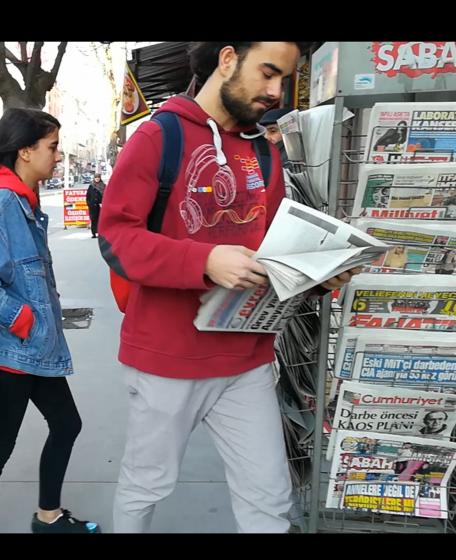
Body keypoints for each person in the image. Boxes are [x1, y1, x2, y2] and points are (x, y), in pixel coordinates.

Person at [99, 41, 360, 533]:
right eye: (268, 73)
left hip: (248, 358)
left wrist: (320, 277)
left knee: (269, 496)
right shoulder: (160, 136)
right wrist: (204, 260)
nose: (276, 91)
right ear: (226, 60)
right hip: (166, 362)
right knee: (145, 484)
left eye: (283, 78)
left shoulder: (264, 151)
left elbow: (270, 256)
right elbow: (117, 238)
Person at [0, 108, 100, 534]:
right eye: (52, 147)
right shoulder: (0, 203)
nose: (58, 156)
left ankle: (49, 518)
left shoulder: (20, 200)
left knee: (66, 424)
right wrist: (22, 317)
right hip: (11, 352)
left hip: (30, 347)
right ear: (24, 150)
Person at [86, 173, 106, 238]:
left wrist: (103, 203)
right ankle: (94, 233)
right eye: (96, 178)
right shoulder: (91, 186)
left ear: (100, 178)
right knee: (93, 219)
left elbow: (106, 195)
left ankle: (100, 233)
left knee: (100, 220)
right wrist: (89, 204)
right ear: (94, 178)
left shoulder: (103, 186)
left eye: (98, 178)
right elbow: (88, 196)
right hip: (93, 207)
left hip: (101, 206)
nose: (97, 179)